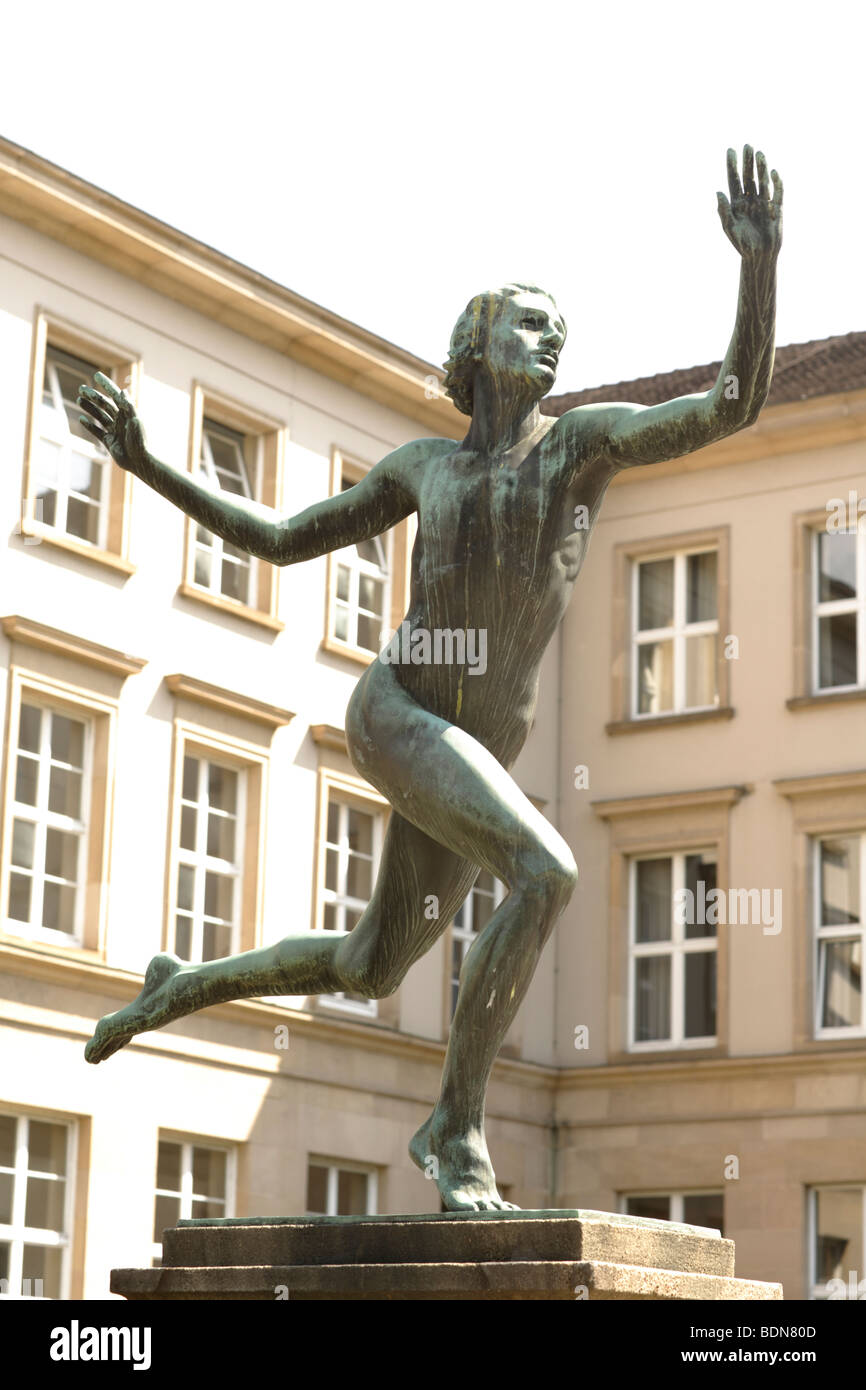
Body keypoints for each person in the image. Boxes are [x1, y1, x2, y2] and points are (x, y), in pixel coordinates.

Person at [77, 146, 782, 1211]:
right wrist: (147, 465)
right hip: (400, 710)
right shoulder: (425, 467)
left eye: (559, 327)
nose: (553, 337)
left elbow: (725, 405)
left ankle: (181, 984)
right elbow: (276, 537)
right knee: (545, 873)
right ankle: (454, 1129)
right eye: (531, 320)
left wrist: (756, 273)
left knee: (368, 967)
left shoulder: (579, 447)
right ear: (477, 343)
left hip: (472, 748)